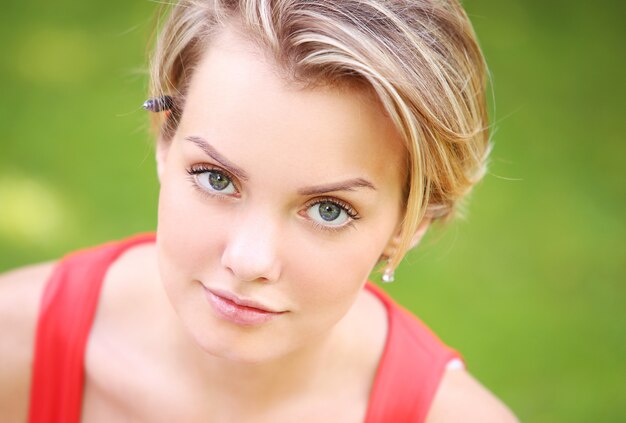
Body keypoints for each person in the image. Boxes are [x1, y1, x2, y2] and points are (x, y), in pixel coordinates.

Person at [0, 0, 519, 421]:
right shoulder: (12, 342)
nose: (249, 261)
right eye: (216, 178)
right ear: (164, 142)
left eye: (329, 210)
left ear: (409, 227)